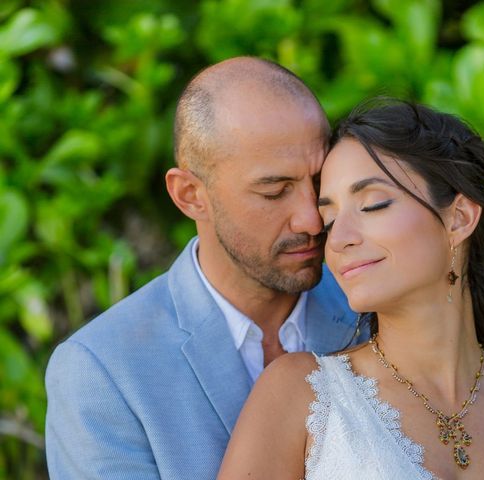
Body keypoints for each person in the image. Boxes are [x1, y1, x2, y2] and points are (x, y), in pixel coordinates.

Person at [217, 99, 484, 479]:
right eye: (329, 221)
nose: (339, 239)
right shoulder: (301, 394)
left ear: (458, 219)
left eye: (373, 205)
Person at [45, 57, 364, 479]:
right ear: (190, 194)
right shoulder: (103, 372)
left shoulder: (372, 308)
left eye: (320, 183)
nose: (311, 219)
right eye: (273, 192)